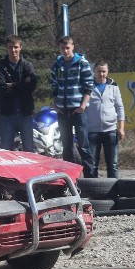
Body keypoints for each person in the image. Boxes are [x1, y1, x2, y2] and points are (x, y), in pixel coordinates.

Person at [50, 36, 95, 176]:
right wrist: (56, 105)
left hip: (78, 110)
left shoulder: (82, 63)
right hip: (62, 111)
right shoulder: (57, 65)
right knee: (67, 147)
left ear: (73, 47)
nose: (65, 51)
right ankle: (70, 178)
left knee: (84, 146)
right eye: (62, 48)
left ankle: (91, 178)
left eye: (67, 48)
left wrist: (83, 105)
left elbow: (89, 86)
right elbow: (54, 86)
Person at [0, 35, 38, 151]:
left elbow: (32, 86)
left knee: (29, 149)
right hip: (7, 114)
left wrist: (12, 85)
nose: (13, 50)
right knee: (6, 149)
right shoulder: (1, 66)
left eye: (15, 47)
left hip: (25, 113)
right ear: (6, 48)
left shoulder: (27, 66)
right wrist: (22, 84)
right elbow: (2, 89)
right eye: (10, 47)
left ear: (20, 48)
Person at [85, 60, 125, 178]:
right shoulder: (88, 87)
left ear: (107, 72)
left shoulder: (113, 86)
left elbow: (119, 107)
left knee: (112, 163)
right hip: (92, 131)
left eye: (104, 71)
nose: (101, 74)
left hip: (110, 130)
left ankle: (114, 191)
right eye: (99, 71)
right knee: (92, 164)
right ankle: (92, 190)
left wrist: (121, 128)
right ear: (94, 71)